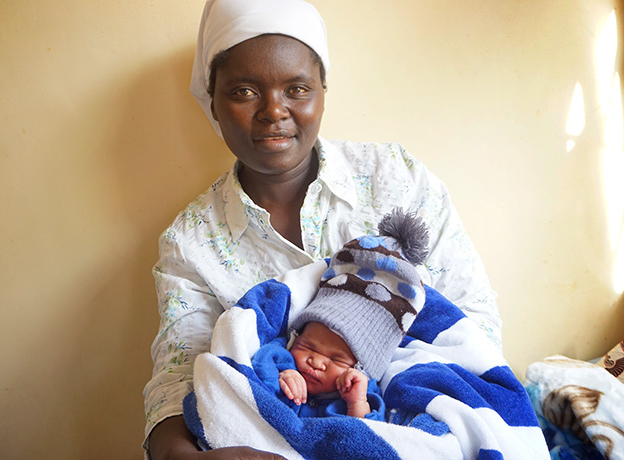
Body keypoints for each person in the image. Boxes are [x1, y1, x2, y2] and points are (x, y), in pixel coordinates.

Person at [143, 1, 502, 459]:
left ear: (323, 92)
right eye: (245, 91)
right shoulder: (192, 241)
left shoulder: (397, 179)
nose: (274, 110)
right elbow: (178, 381)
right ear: (212, 101)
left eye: (297, 88)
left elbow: (474, 327)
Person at [257, 208, 429, 421]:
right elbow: (261, 362)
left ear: (362, 369)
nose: (317, 362)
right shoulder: (281, 356)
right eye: (307, 346)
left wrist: (356, 403)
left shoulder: (361, 393)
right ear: (296, 337)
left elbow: (367, 438)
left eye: (337, 359)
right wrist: (283, 374)